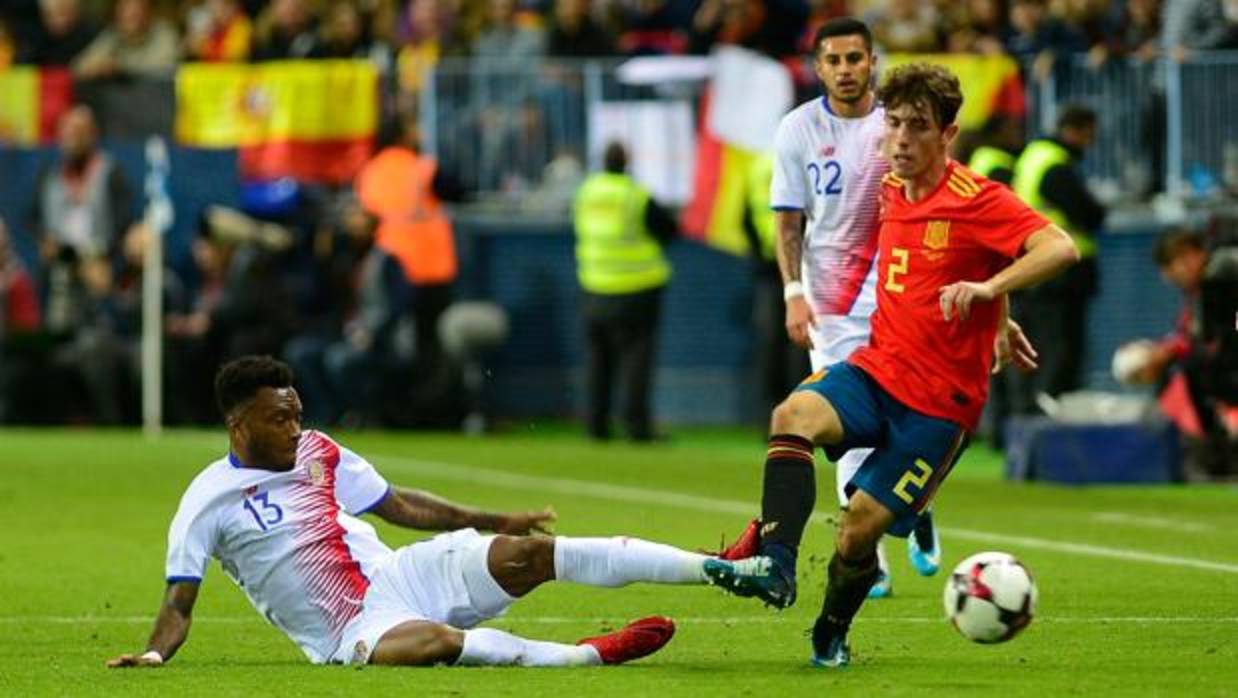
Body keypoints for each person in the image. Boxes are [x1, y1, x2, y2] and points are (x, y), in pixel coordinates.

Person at [703, 62, 1079, 667]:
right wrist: (999, 312)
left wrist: (990, 296)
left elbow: (1058, 246)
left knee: (857, 531)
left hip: (939, 408)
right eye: (894, 124)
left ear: (947, 135)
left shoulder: (977, 198)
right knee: (792, 413)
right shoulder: (886, 190)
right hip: (877, 370)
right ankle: (775, 565)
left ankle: (830, 631)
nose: (900, 139)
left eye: (917, 127)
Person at [107, 355, 730, 670]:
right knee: (435, 643)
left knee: (531, 554)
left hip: (399, 575)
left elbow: (399, 504)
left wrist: (493, 519)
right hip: (346, 632)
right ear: (237, 424)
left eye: (297, 413)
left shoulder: (319, 451)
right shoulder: (206, 500)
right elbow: (178, 604)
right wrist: (155, 656)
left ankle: (716, 566)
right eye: (280, 419)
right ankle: (587, 655)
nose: (296, 428)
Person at [736, 17, 940, 599]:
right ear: (818, 67)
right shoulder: (798, 128)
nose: (846, 70)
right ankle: (870, 553)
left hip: (903, 291)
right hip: (831, 301)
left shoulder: (896, 125)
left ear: (872, 61)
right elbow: (787, 219)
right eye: (835, 60)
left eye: (856, 58)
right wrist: (792, 292)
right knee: (845, 427)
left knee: (910, 411)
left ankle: (915, 502)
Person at [573, 141, 676, 442]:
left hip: (594, 284)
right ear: (627, 161)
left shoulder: (586, 192)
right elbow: (667, 229)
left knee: (597, 359)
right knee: (635, 360)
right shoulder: (635, 195)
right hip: (637, 286)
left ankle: (595, 424)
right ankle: (636, 424)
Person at [1114, 229, 1237, 479]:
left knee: (1194, 371)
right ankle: (1217, 455)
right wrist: (1165, 352)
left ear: (1189, 255)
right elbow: (1200, 336)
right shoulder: (1204, 288)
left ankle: (1217, 457)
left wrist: (1167, 354)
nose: (1168, 276)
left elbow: (1214, 338)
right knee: (1193, 371)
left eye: (1170, 266)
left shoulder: (1221, 273)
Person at [1009, 105, 1106, 415]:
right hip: (1059, 274)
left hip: (1039, 270)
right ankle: (1049, 420)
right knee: (1059, 351)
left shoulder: (1034, 158)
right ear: (1075, 130)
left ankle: (1032, 417)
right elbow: (1089, 213)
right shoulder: (1053, 164)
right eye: (1088, 135)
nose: (1089, 143)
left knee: (1040, 348)